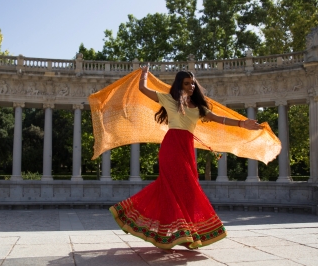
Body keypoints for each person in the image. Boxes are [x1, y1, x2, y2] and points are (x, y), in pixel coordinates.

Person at [109, 65, 262, 250]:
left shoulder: (199, 107)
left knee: (185, 189)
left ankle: (181, 233)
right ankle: (178, 231)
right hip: (171, 147)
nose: (191, 86)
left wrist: (242, 123)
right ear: (180, 85)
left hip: (187, 148)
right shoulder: (169, 99)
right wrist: (144, 74)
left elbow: (219, 118)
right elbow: (143, 89)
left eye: (193, 83)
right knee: (175, 187)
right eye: (187, 83)